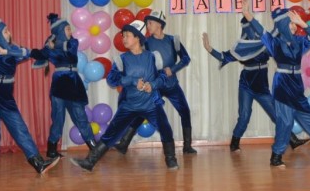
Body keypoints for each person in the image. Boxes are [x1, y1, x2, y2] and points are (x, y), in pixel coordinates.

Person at [241, 0, 310, 167]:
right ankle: (276, 157)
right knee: (285, 122)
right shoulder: (274, 42)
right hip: (282, 84)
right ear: (282, 25)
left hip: (296, 85)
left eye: (294, 23)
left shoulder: (299, 41)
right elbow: (260, 29)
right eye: (290, 23)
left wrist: (303, 24)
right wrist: (247, 14)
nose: (294, 26)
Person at [70, 20, 179, 171]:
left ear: (138, 38)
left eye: (127, 35)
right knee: (111, 134)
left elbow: (163, 77)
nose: (124, 39)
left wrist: (152, 85)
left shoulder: (153, 57)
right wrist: (132, 81)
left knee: (166, 129)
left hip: (151, 104)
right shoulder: (121, 59)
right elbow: (112, 80)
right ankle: (89, 162)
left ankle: (171, 160)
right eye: (123, 36)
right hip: (129, 106)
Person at [0, 18, 60, 175]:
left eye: (8, 30)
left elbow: (29, 53)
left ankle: (38, 163)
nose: (9, 33)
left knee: (20, 128)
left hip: (6, 96)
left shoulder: (13, 49)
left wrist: (7, 51)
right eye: (5, 31)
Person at [202, 17, 309, 152]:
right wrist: (209, 48)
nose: (251, 29)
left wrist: (288, 29)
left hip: (261, 86)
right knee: (244, 115)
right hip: (246, 85)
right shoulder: (242, 48)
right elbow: (223, 57)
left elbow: (279, 43)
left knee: (276, 114)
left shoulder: (264, 43)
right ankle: (234, 143)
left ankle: (293, 140)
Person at [114, 11, 197, 155]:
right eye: (147, 23)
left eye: (150, 23)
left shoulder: (173, 40)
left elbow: (186, 58)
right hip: (154, 86)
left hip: (171, 85)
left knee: (185, 111)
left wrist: (173, 69)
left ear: (159, 24)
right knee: (141, 113)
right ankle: (124, 143)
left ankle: (187, 146)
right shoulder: (145, 42)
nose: (147, 26)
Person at [30, 13, 96, 158]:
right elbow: (40, 54)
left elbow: (70, 53)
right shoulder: (50, 46)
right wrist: (26, 51)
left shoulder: (73, 42)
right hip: (59, 84)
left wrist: (54, 45)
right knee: (58, 118)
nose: (70, 31)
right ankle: (51, 149)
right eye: (67, 29)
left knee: (80, 117)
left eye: (70, 28)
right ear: (60, 31)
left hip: (73, 83)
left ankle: (94, 148)